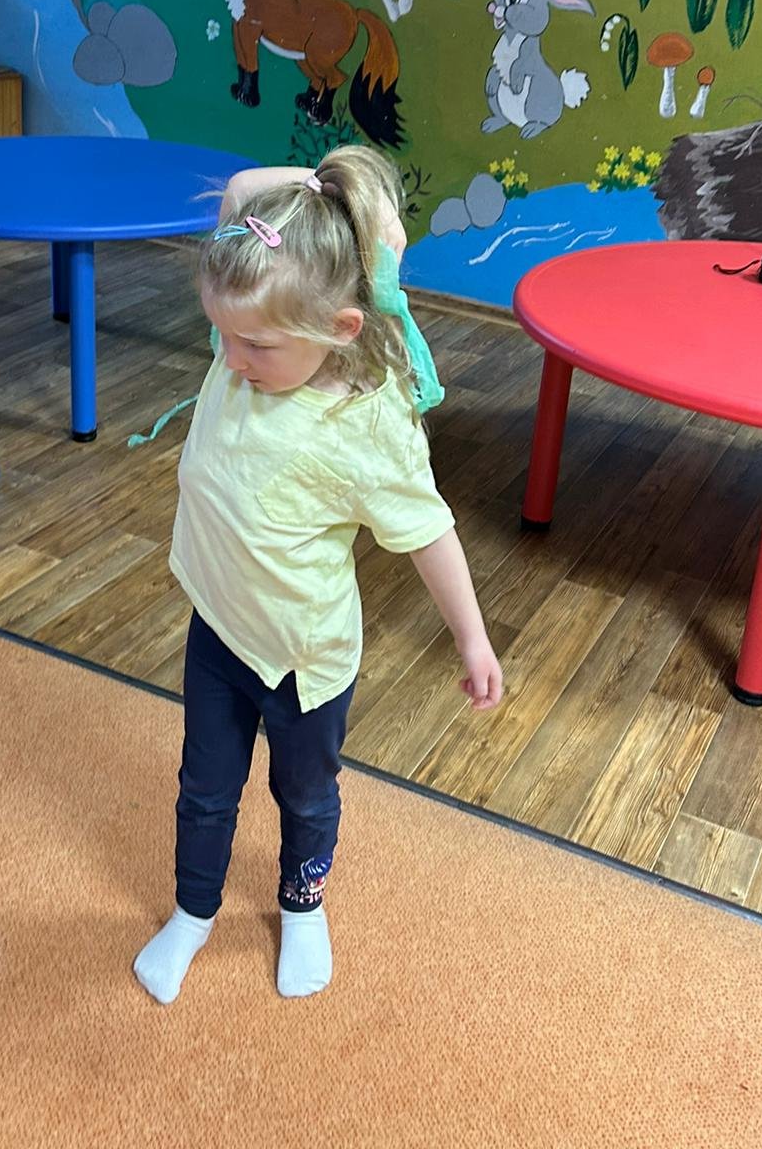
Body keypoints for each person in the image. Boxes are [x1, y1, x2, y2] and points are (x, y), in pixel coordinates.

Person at [133, 146, 503, 1006]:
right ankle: (192, 911)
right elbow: (241, 193)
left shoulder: (364, 424)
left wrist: (474, 640)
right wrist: (329, 193)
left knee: (303, 794)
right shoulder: (253, 326)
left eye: (253, 345)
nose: (228, 358)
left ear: (339, 327)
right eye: (222, 334)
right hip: (218, 630)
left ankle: (303, 906)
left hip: (304, 662)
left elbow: (430, 533)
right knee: (203, 790)